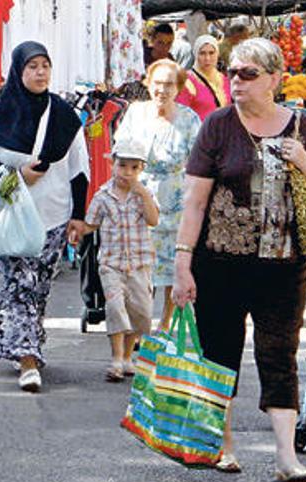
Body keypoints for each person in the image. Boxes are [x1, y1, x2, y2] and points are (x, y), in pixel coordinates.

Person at [172, 39, 306, 482]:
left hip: (283, 266)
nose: (236, 81)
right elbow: (194, 202)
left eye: (247, 74)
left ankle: (286, 459)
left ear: (274, 79)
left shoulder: (304, 129)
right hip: (220, 263)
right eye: (232, 72)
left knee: (279, 356)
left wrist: (304, 160)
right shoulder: (216, 126)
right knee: (219, 355)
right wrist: (182, 263)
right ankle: (223, 443)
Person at [0, 41, 89, 393]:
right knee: (17, 288)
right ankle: (27, 359)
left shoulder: (65, 116)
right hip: (9, 215)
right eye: (32, 66)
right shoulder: (1, 111)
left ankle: (27, 345)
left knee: (36, 289)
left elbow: (79, 169)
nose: (40, 73)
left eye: (45, 66)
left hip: (51, 217)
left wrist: (78, 217)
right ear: (18, 71)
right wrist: (16, 173)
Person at [115, 59, 201, 333]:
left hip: (176, 201)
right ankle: (139, 328)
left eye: (168, 84)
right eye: (157, 84)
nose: (162, 90)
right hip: (139, 198)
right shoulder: (135, 113)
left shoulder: (189, 119)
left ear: (178, 88)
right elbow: (119, 150)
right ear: (148, 84)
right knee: (139, 270)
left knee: (172, 269)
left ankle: (165, 327)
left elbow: (199, 161)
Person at [81, 140, 158, 382]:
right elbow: (91, 223)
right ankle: (115, 359)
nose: (127, 172)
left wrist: (143, 193)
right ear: (112, 164)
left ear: (141, 169)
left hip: (140, 263)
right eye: (122, 166)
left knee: (140, 312)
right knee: (115, 308)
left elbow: (153, 220)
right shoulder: (103, 195)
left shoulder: (143, 193)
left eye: (134, 168)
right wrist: (76, 231)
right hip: (111, 264)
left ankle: (127, 356)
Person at [177, 35, 233, 121]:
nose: (207, 58)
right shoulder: (187, 81)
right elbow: (181, 116)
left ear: (217, 54)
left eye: (211, 53)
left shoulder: (224, 79)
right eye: (202, 53)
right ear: (195, 54)